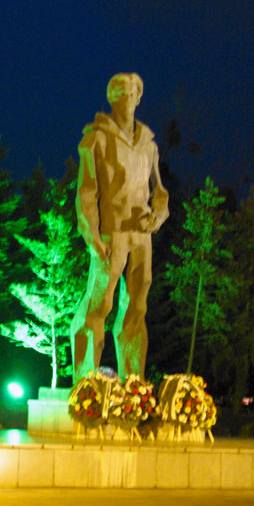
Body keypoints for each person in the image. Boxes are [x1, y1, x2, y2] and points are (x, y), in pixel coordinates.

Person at [70, 72, 169, 383]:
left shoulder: (149, 145)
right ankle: (85, 382)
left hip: (141, 235)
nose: (128, 99)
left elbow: (161, 192)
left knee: (137, 307)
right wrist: (92, 235)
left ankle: (133, 384)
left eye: (132, 93)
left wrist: (158, 216)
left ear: (139, 98)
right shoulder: (96, 139)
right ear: (111, 98)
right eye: (121, 93)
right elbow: (87, 192)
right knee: (99, 303)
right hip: (111, 234)